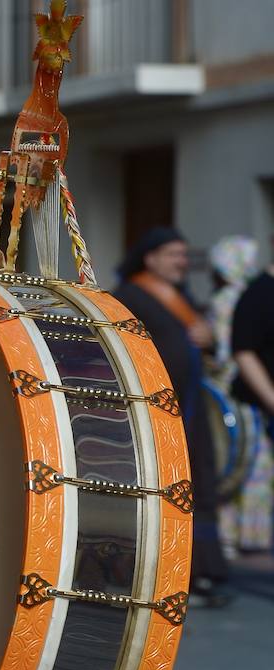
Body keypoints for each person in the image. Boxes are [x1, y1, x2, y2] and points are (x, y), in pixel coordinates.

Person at [114, 227, 230, 601]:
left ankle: (203, 572)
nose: (182, 261)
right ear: (151, 259)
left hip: (192, 409)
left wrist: (208, 341)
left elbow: (204, 348)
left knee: (201, 486)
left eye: (184, 254)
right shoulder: (129, 297)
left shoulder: (182, 298)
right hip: (156, 416)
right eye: (173, 254)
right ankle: (169, 578)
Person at [209, 235, 272, 552]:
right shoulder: (240, 297)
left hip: (233, 388)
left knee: (244, 465)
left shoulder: (225, 297)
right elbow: (233, 351)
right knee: (245, 464)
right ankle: (245, 535)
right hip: (240, 393)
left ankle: (237, 536)